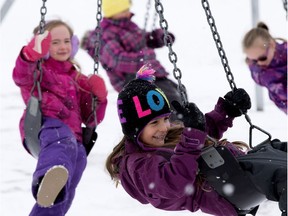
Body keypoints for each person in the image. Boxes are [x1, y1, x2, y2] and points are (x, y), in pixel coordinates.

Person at [106, 64, 287, 216]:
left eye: (166, 119)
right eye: (154, 122)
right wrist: (191, 138)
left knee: (280, 149)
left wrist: (226, 111)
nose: (164, 127)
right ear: (133, 129)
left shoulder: (162, 139)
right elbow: (174, 182)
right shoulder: (137, 165)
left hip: (233, 170)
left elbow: (202, 132)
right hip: (225, 188)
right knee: (283, 176)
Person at [12, 20, 108, 215]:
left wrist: (99, 98)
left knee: (76, 165)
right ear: (43, 47)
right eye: (55, 42)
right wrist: (29, 56)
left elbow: (90, 118)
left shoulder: (78, 78)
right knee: (62, 140)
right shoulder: (39, 70)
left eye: (66, 41)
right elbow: (21, 76)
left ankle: (49, 206)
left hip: (74, 138)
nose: (62, 46)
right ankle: (44, 179)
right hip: (44, 124)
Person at [80, 0, 182, 110]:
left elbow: (144, 39)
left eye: (127, 9)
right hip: (131, 79)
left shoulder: (129, 26)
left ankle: (181, 120)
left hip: (150, 73)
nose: (128, 13)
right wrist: (144, 58)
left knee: (178, 92)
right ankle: (176, 124)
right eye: (124, 11)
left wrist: (158, 37)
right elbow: (117, 59)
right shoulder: (107, 34)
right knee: (169, 101)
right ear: (112, 12)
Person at [242, 22, 287, 114]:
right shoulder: (260, 73)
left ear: (271, 45)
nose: (259, 63)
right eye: (253, 60)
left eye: (262, 58)